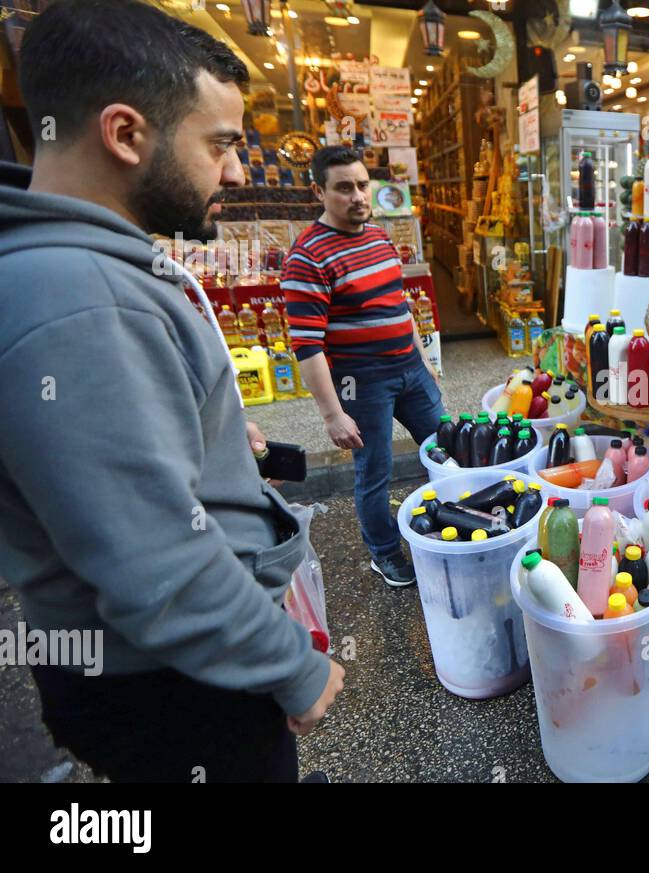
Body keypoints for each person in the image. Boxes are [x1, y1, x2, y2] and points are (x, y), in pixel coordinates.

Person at [0, 0, 343, 782]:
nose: (238, 170)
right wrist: (293, 666)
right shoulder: (80, 299)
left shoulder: (80, 268)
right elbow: (158, 566)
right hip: (173, 685)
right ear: (125, 134)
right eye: (220, 143)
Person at [283, 146, 444, 588]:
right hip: (361, 382)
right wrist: (333, 413)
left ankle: (453, 525)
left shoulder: (377, 236)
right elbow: (307, 347)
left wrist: (424, 359)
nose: (357, 195)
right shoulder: (307, 257)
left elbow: (399, 304)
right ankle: (385, 552)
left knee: (447, 449)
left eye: (361, 184)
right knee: (374, 470)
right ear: (318, 191)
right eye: (343, 188)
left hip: (410, 368)